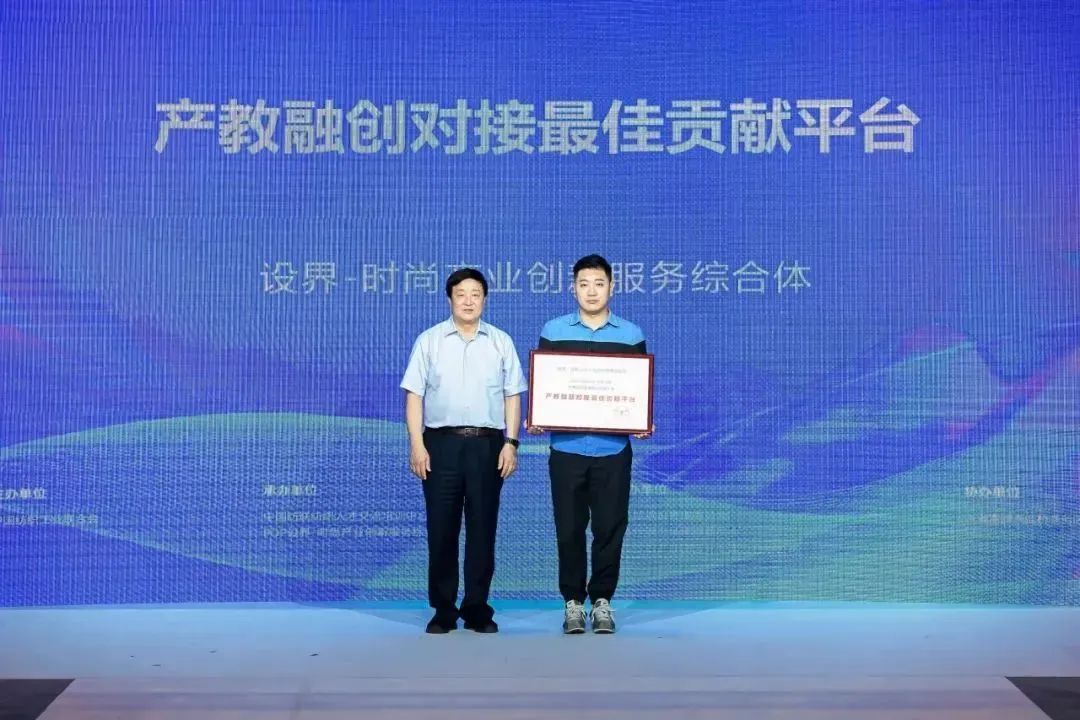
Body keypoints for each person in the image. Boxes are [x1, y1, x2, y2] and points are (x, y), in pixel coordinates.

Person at [528, 254, 651, 634]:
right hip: (566, 450)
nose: (592, 291)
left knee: (610, 527)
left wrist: (641, 419)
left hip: (612, 451)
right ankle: (572, 603)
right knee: (569, 528)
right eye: (584, 284)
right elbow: (547, 386)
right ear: (573, 288)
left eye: (599, 283)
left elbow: (635, 390)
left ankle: (601, 602)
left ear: (612, 287)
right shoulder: (553, 330)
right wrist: (539, 414)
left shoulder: (630, 334)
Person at [401, 268, 527, 634]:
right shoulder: (430, 341)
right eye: (461, 294)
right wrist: (417, 444)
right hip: (440, 444)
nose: (469, 301)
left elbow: (512, 395)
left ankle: (476, 608)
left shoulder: (500, 341)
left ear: (484, 299)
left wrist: (511, 443)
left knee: (482, 529)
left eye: (475, 294)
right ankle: (443, 609)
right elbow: (414, 395)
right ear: (450, 299)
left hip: (488, 445)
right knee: (441, 529)